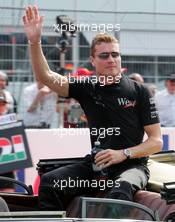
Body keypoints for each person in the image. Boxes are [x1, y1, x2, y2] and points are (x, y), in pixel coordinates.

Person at [23, 6, 163, 210]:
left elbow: (156, 142)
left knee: (119, 192)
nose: (111, 59)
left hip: (132, 166)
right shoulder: (86, 86)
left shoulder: (139, 91)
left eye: (115, 54)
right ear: (93, 60)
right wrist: (34, 42)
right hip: (97, 165)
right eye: (104, 55)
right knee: (50, 183)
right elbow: (45, 76)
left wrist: (123, 153)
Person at [0, 91, 16, 192]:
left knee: (9, 200)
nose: (1, 106)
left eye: (3, 104)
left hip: (7, 167)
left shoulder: (11, 122)